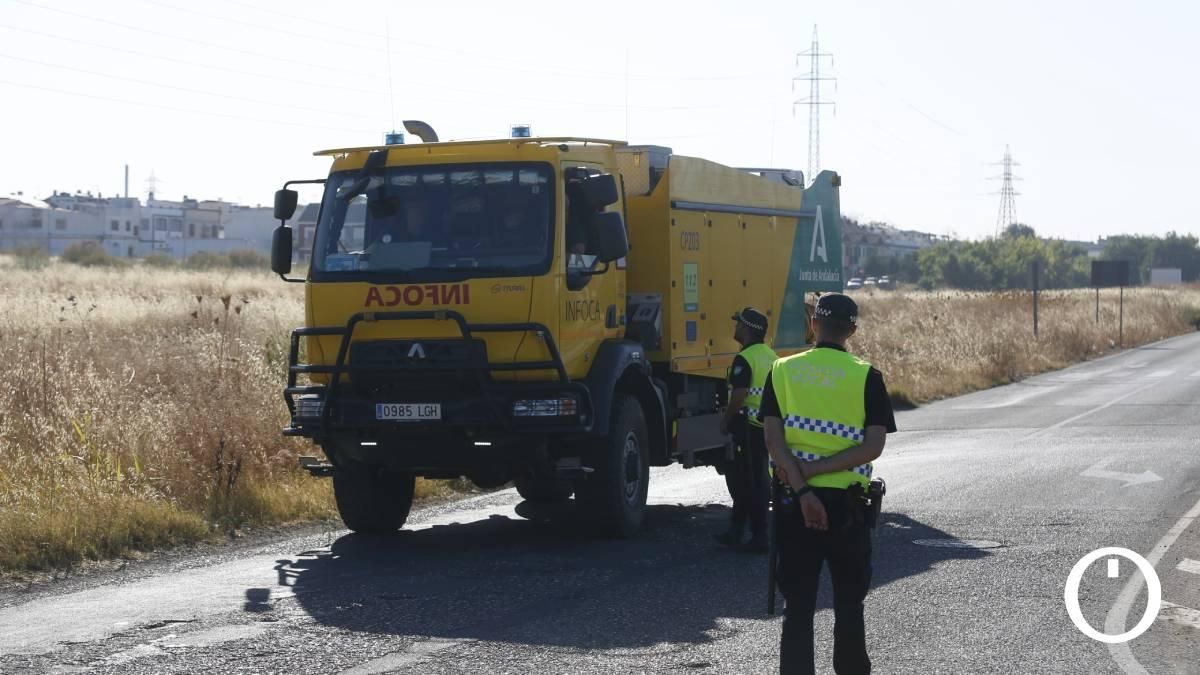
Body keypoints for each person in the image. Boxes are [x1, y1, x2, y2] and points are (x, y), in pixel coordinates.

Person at [760, 292, 897, 675]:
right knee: (849, 605)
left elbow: (773, 441)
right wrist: (817, 470)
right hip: (849, 507)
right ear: (852, 330)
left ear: (814, 324)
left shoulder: (781, 371)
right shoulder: (867, 376)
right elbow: (873, 446)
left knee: (798, 607)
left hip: (795, 502)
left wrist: (803, 486)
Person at [715, 307, 777, 553]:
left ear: (748, 329)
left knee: (749, 483)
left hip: (748, 427)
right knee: (749, 480)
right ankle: (736, 531)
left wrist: (726, 420)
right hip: (764, 426)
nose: (736, 327)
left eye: (739, 324)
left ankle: (759, 537)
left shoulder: (745, 358)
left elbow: (739, 395)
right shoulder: (771, 356)